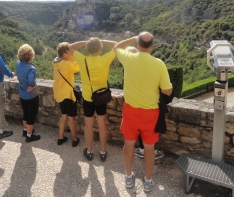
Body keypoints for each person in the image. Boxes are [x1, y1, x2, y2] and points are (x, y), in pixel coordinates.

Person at [114, 32, 172, 193]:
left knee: (129, 144)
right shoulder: (159, 64)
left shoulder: (128, 58)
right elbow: (167, 91)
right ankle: (147, 180)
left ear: (138, 45)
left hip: (130, 111)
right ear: (152, 46)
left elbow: (117, 46)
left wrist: (132, 38)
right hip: (150, 113)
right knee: (149, 147)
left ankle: (128, 175)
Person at [68, 37, 117, 162]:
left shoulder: (83, 59)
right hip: (101, 97)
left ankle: (89, 151)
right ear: (100, 48)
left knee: (88, 126)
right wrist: (102, 41)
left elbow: (69, 47)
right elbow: (117, 45)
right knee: (102, 125)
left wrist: (86, 43)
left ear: (87, 49)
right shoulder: (105, 59)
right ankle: (102, 151)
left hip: (88, 98)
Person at [125, 47, 164, 161]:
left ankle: (144, 151)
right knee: (149, 132)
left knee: (138, 132)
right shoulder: (151, 65)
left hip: (135, 106)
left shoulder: (131, 68)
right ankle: (150, 153)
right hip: (150, 106)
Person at [52, 42, 81, 147]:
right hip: (68, 94)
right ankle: (74, 139)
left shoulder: (57, 62)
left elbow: (70, 61)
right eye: (70, 52)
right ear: (65, 52)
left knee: (64, 115)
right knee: (71, 118)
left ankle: (60, 137)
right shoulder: (66, 65)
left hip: (60, 94)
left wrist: (71, 50)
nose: (72, 54)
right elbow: (79, 66)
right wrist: (76, 52)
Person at [16, 44, 41, 143]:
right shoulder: (31, 68)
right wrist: (33, 86)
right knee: (32, 115)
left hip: (22, 93)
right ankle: (29, 136)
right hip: (31, 96)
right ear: (30, 55)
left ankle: (25, 130)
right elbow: (31, 80)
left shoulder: (18, 64)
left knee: (25, 113)